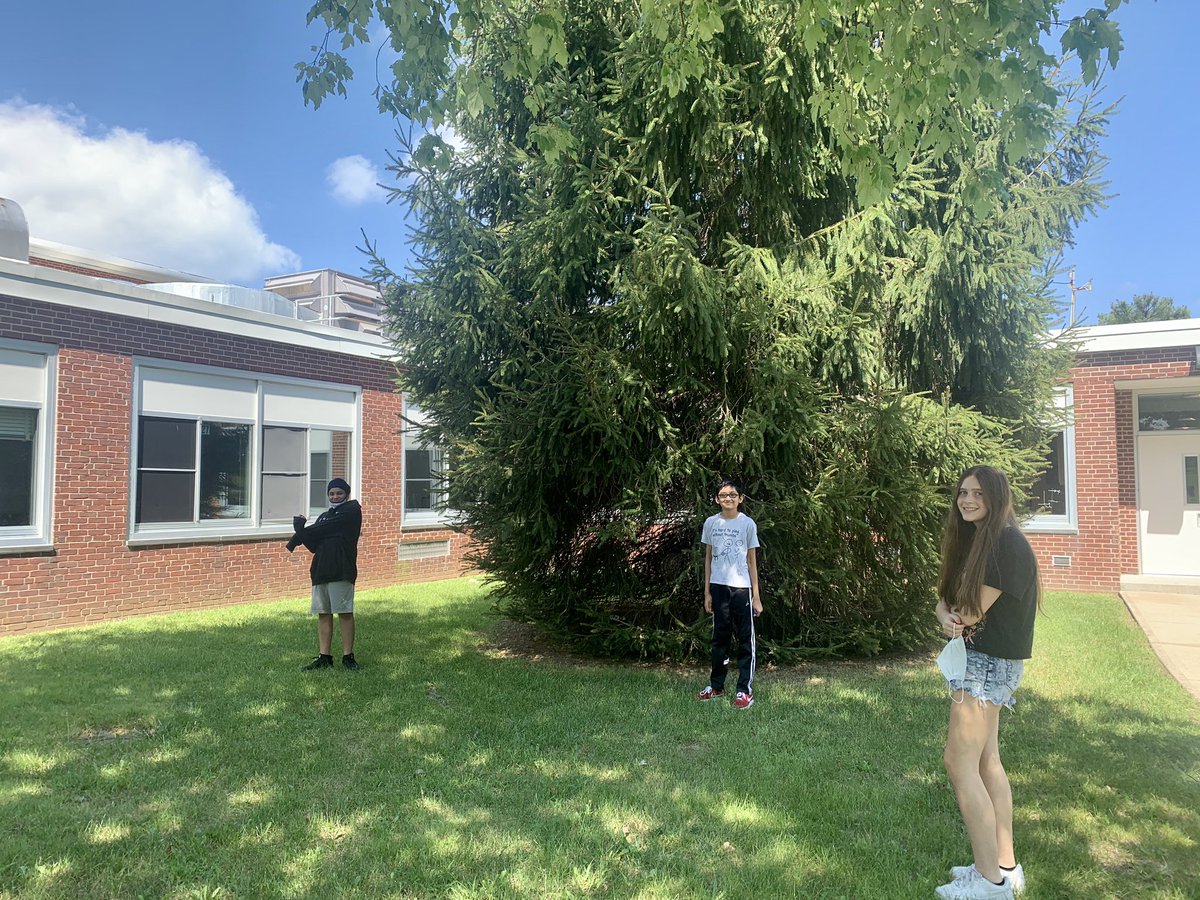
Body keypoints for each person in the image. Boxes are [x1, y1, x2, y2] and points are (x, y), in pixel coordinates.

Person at [933, 466, 1040, 899]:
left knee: (959, 762)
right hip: (985, 660)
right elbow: (949, 601)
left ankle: (989, 883)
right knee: (985, 761)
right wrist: (944, 614)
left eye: (977, 493)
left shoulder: (1004, 543)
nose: (966, 499)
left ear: (997, 496)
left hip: (987, 666)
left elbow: (969, 611)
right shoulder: (982, 539)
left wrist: (950, 613)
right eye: (962, 492)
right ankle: (1005, 866)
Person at [695, 479, 762, 709]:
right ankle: (716, 686)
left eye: (733, 495)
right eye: (723, 495)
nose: (728, 499)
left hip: (742, 588)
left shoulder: (748, 524)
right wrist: (707, 592)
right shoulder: (711, 523)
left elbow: (752, 561)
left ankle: (744, 691)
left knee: (745, 640)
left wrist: (757, 596)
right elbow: (708, 558)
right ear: (717, 499)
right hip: (718, 587)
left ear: (740, 499)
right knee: (719, 639)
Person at [287, 477, 363, 671]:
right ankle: (324, 657)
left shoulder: (352, 511)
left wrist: (299, 533)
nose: (335, 496)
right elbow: (313, 545)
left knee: (344, 613)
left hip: (342, 569)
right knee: (323, 614)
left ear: (347, 493)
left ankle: (348, 657)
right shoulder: (324, 516)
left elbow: (321, 530)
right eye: (331, 493)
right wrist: (302, 532)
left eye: (339, 493)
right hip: (320, 570)